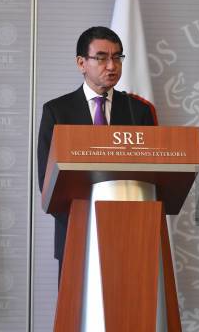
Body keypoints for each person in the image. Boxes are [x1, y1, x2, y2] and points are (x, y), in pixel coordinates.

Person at [37, 26, 156, 278]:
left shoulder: (138, 111)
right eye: (101, 58)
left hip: (130, 237)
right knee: (76, 315)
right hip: (76, 236)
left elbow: (151, 177)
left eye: (117, 57)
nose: (111, 66)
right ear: (81, 63)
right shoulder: (57, 112)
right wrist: (87, 224)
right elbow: (48, 184)